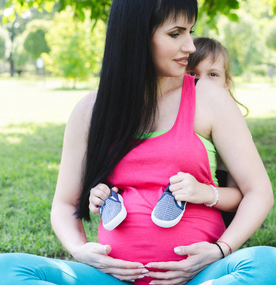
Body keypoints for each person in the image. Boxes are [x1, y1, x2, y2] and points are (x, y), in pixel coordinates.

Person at [0, 1, 276, 285]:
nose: (190, 47)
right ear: (136, 37)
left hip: (199, 281)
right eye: (176, 34)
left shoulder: (209, 99)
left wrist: (221, 249)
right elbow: (65, 203)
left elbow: (258, 191)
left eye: (190, 32)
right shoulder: (89, 112)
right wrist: (80, 251)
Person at [89, 37, 244, 228]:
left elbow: (242, 196)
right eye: (192, 74)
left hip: (217, 222)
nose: (201, 82)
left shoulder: (231, 127)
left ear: (227, 82)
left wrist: (207, 193)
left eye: (212, 74)